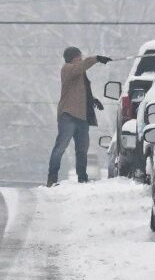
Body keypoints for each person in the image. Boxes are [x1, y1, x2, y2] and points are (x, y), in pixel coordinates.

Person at [47, 46, 112, 186]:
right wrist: (96, 58)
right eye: (78, 56)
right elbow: (82, 66)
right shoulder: (67, 69)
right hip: (68, 116)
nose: (81, 58)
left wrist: (93, 100)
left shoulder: (80, 74)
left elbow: (81, 92)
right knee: (60, 147)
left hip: (82, 118)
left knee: (82, 149)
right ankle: (52, 179)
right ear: (72, 58)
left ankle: (82, 178)